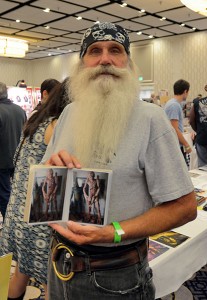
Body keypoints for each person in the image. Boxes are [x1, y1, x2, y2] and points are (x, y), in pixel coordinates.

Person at [41, 22, 197, 300]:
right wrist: (50, 173)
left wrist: (112, 233)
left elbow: (184, 208)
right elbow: (46, 191)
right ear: (81, 64)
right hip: (59, 263)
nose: (105, 59)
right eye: (94, 51)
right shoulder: (68, 114)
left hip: (115, 275)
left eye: (115, 50)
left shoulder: (151, 119)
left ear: (127, 62)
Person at [0, 77, 71, 300]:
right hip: (40, 218)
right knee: (52, 282)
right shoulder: (60, 124)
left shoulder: (37, 119)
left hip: (18, 211)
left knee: (21, 272)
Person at [0, 82, 26, 221]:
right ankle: (17, 221)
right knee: (16, 194)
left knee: (4, 195)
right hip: (17, 159)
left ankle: (9, 223)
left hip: (2, 161)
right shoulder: (20, 110)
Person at [164, 79, 192, 165]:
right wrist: (186, 144)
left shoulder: (173, 103)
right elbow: (174, 129)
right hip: (175, 146)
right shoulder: (174, 105)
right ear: (185, 91)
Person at [189, 93, 207, 167]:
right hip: (201, 137)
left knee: (203, 167)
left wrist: (198, 130)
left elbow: (191, 120)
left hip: (202, 137)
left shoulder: (197, 102)